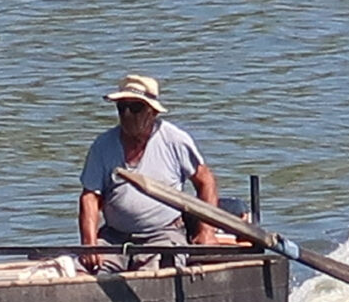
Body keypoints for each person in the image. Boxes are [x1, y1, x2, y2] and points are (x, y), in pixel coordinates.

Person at [78, 73, 240, 260]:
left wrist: (206, 231)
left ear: (152, 112)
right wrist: (90, 245)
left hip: (164, 234)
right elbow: (90, 197)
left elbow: (206, 181)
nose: (127, 114)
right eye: (122, 108)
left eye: (136, 107)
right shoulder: (103, 145)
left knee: (157, 269)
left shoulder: (174, 140)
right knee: (81, 271)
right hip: (114, 238)